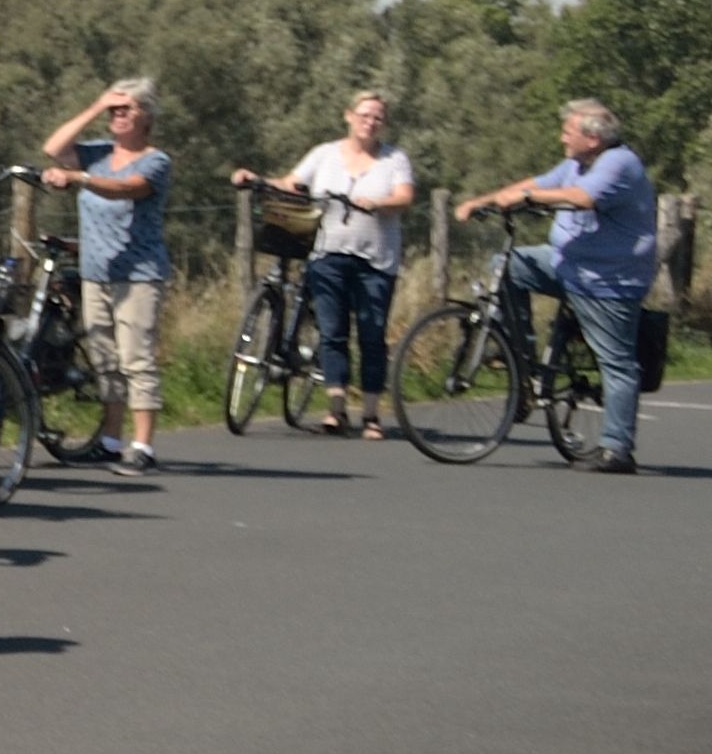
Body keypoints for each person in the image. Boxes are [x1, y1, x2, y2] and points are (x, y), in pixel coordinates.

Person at [455, 99, 659, 474]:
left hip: (607, 279)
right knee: (508, 265)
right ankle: (520, 356)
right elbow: (536, 183)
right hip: (567, 263)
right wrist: (482, 201)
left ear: (593, 138)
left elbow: (582, 199)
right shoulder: (576, 164)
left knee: (617, 362)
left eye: (569, 131)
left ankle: (617, 448)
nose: (562, 137)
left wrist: (527, 199)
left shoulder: (619, 163)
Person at [242, 92, 414, 439]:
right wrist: (256, 180)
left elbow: (404, 196)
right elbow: (293, 182)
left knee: (371, 335)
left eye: (377, 117)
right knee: (332, 331)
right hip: (328, 254)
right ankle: (336, 408)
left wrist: (378, 203)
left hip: (375, 260)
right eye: (364, 114)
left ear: (384, 123)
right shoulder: (324, 154)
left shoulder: (394, 159)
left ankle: (370, 414)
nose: (370, 121)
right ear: (348, 116)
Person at [37, 80, 174, 470]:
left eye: (126, 109)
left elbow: (125, 189)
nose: (118, 116)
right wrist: (96, 106)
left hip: (138, 275)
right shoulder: (97, 152)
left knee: (136, 358)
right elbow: (53, 148)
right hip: (96, 272)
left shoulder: (155, 161)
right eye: (115, 111)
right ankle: (111, 439)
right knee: (105, 359)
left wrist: (79, 179)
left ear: (146, 116)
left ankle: (143, 446)